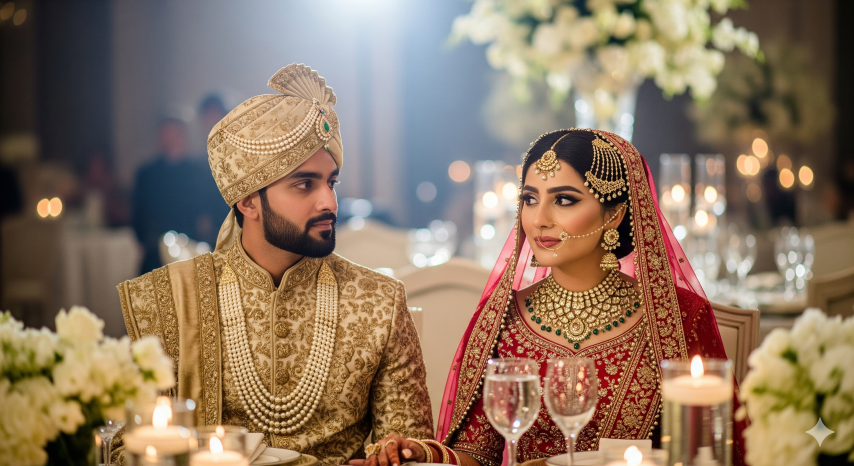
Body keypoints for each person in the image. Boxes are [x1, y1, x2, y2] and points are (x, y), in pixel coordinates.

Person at [363, 129, 747, 466]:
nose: (539, 218)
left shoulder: (676, 318)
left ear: (613, 215)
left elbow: (711, 450)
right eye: (530, 199)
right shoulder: (503, 320)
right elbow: (479, 453)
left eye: (564, 199)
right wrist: (422, 452)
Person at [116, 64, 433, 464]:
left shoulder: (378, 303)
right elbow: (127, 446)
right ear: (248, 201)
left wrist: (399, 453)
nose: (329, 203)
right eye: (305, 184)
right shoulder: (165, 301)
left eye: (331, 182)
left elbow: (414, 450)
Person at [132, 117, 228, 273]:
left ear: (183, 135)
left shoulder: (202, 174)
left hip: (195, 251)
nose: (169, 139)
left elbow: (212, 212)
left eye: (173, 133)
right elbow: (139, 215)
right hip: (156, 256)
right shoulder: (147, 175)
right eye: (164, 134)